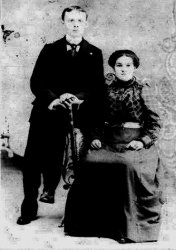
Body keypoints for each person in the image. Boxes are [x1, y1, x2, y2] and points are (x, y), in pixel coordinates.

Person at [64, 50, 164, 243]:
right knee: (90, 161)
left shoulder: (144, 89)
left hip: (135, 143)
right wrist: (94, 136)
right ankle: (90, 224)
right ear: (113, 67)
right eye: (119, 65)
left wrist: (142, 141)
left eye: (128, 65)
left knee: (128, 166)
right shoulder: (105, 88)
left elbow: (155, 123)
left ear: (135, 67)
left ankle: (129, 227)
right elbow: (94, 117)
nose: (123, 69)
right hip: (108, 140)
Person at [17, 5, 104, 225]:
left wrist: (78, 97)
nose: (75, 25)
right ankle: (29, 207)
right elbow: (37, 81)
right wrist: (54, 98)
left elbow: (96, 86)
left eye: (79, 21)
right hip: (47, 111)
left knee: (71, 160)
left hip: (76, 114)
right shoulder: (50, 49)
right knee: (32, 161)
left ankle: (71, 206)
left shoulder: (94, 53)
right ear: (63, 22)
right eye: (70, 20)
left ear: (85, 23)